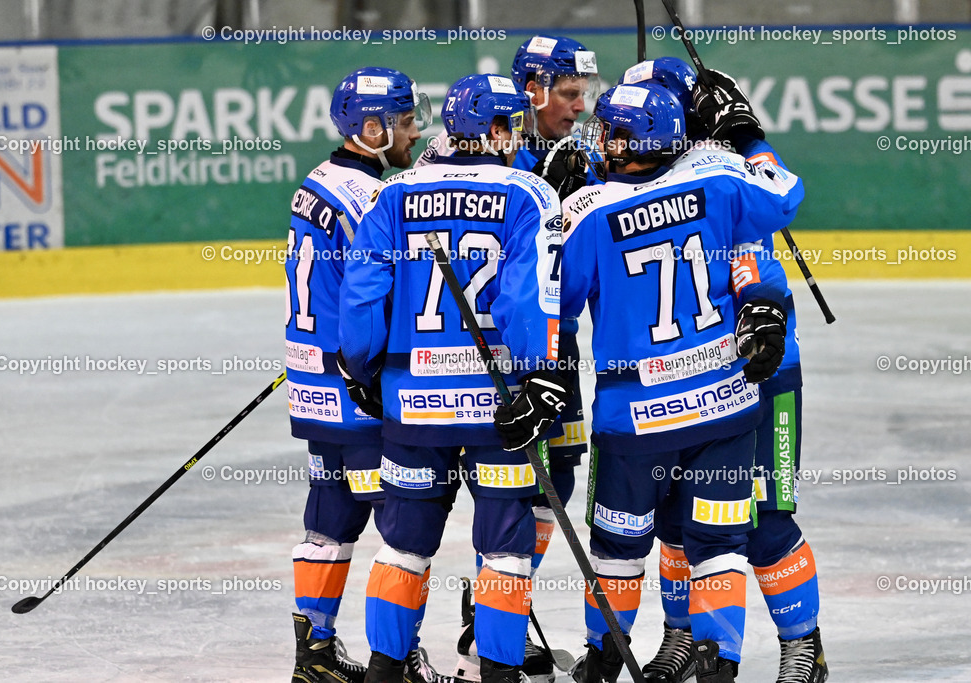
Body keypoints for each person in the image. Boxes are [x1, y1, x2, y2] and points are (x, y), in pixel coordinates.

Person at [560, 80, 804, 682]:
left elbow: (554, 300)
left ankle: (603, 662)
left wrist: (558, 203)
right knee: (716, 545)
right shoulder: (721, 175)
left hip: (635, 416)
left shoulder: (589, 210)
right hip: (726, 403)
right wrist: (747, 136)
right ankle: (713, 662)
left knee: (621, 550)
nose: (603, 139)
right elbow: (786, 194)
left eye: (612, 130)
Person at [337, 72, 570, 683]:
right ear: (494, 129)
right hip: (499, 410)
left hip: (413, 406)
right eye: (511, 122)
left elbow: (362, 297)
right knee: (504, 550)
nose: (517, 131)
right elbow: (526, 303)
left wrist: (362, 370)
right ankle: (496, 672)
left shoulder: (395, 193)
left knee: (403, 546)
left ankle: (386, 670)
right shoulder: (528, 193)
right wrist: (540, 376)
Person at [619, 60, 828, 683]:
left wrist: (745, 139)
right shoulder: (633, 171)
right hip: (677, 381)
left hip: (759, 372)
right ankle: (688, 643)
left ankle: (803, 650)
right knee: (681, 522)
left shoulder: (722, 171)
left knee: (762, 519)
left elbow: (781, 201)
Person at [287, 66, 435, 683]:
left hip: (312, 382)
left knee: (330, 517)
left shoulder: (315, 183)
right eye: (404, 123)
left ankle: (314, 653)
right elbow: (374, 298)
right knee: (404, 529)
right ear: (371, 130)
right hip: (357, 388)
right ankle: (394, 661)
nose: (414, 133)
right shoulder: (372, 199)